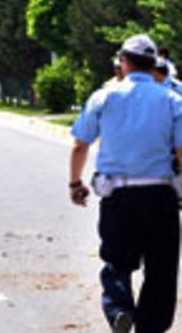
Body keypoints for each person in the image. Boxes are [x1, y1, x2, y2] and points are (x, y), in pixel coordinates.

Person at [69, 34, 182, 333]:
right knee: (161, 268)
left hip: (118, 196)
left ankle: (120, 309)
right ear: (153, 64)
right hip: (161, 195)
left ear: (124, 62)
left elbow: (80, 145)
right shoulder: (172, 101)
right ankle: (151, 326)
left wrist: (75, 183)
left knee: (116, 261)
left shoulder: (104, 97)